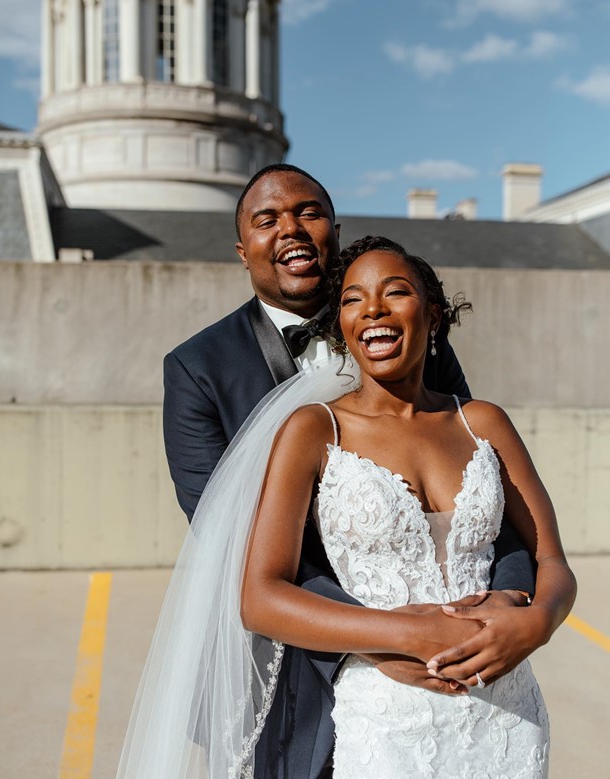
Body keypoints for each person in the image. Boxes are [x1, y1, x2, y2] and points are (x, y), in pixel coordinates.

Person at [160, 165, 541, 779]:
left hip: (455, 657)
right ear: (242, 249)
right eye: (267, 220)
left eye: (308, 213)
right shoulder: (196, 369)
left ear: (334, 231)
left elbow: (483, 483)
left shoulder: (412, 336)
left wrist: (508, 601)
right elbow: (224, 539)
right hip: (287, 662)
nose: (291, 230)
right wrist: (377, 639)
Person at [240, 236, 576, 776]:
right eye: (352, 299)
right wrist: (403, 634)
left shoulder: (483, 422)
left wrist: (538, 622)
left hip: (507, 709)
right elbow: (260, 597)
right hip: (387, 715)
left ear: (433, 313)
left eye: (395, 292)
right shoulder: (313, 431)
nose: (373, 308)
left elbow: (553, 561)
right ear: (342, 324)